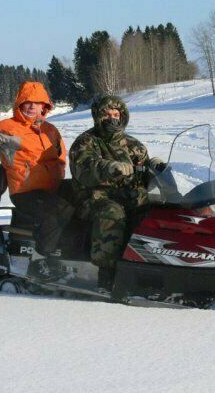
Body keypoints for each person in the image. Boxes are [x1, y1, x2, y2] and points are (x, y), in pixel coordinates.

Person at [0, 79, 73, 280]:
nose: (32, 106)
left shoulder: (51, 130)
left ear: (44, 106)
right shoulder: (8, 128)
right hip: (26, 192)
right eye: (27, 102)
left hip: (53, 188)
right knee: (58, 210)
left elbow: (60, 158)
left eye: (37, 102)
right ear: (19, 105)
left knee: (88, 202)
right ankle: (42, 260)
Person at [69, 95, 164, 290]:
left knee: (157, 209)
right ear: (97, 117)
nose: (112, 118)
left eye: (116, 114)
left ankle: (155, 262)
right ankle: (106, 274)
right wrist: (109, 167)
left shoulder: (134, 145)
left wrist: (155, 167)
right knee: (113, 213)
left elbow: (143, 172)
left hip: (129, 196)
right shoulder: (86, 142)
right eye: (106, 115)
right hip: (95, 198)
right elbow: (84, 168)